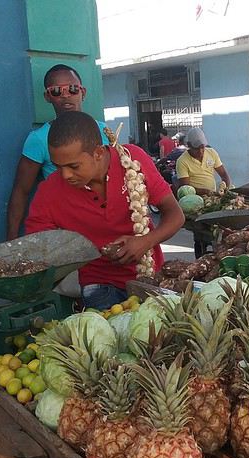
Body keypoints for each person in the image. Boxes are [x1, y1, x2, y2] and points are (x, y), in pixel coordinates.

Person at [25, 111, 185, 310]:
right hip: (98, 286)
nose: (66, 175)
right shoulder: (49, 192)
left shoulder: (132, 158)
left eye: (73, 166)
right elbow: (39, 247)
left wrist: (146, 241)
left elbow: (176, 215)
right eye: (59, 167)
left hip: (150, 277)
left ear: (98, 153)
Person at [6, 64, 110, 240]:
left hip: (106, 222)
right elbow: (21, 191)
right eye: (56, 91)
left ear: (82, 92)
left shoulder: (104, 131)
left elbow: (120, 174)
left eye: (72, 89)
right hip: (66, 229)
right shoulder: (38, 139)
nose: (65, 96)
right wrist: (11, 239)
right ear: (48, 96)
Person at [175, 127, 231, 194]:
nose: (200, 151)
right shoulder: (182, 161)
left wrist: (226, 190)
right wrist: (205, 192)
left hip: (212, 195)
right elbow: (186, 187)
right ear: (189, 145)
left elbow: (224, 174)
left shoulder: (212, 153)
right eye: (197, 149)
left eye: (202, 148)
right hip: (195, 198)